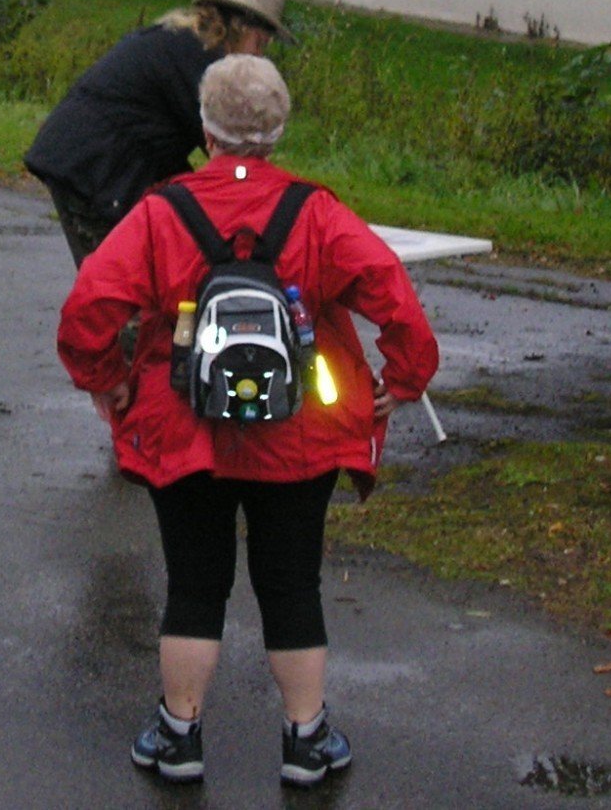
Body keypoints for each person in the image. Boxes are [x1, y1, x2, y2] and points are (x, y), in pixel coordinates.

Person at [57, 55, 439, 790]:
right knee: (292, 586)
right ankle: (304, 740)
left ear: (205, 129)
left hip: (181, 427)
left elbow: (87, 311)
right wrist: (403, 380)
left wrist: (106, 383)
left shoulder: (162, 211)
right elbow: (395, 296)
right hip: (299, 434)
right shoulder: (318, 213)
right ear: (278, 130)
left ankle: (179, 736)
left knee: (194, 586)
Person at [26, 0, 293, 268]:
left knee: (143, 272)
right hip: (93, 169)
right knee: (120, 286)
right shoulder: (203, 63)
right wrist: (275, 205)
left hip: (91, 158)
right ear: (243, 30)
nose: (258, 56)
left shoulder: (186, 42)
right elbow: (232, 158)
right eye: (259, 44)